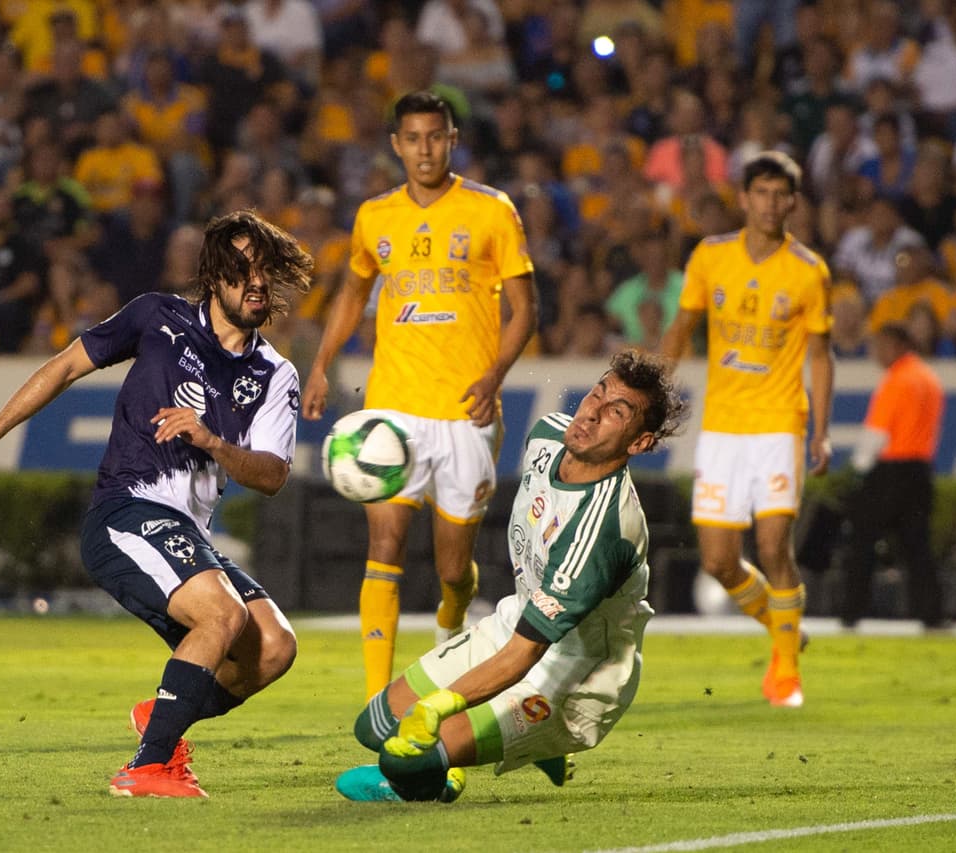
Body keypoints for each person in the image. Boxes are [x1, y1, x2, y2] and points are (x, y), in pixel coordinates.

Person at [0, 210, 314, 798]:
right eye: (242, 269)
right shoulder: (157, 316)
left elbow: (273, 475)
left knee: (274, 647)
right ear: (214, 275)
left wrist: (210, 439)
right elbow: (66, 365)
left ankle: (162, 712)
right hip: (126, 510)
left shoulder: (274, 373)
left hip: (188, 533)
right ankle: (148, 767)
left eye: (266, 271)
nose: (256, 282)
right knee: (221, 616)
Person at [333, 350, 685, 803]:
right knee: (375, 728)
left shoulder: (602, 529)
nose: (592, 412)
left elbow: (526, 654)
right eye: (597, 393)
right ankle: (513, 746)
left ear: (639, 443)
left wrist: (441, 704)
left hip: (571, 676)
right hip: (516, 621)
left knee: (406, 760)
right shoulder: (547, 434)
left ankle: (507, 750)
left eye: (616, 412)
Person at [300, 90, 538, 701]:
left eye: (436, 136)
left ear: (452, 139)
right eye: (413, 138)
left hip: (466, 408)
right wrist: (323, 363)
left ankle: (450, 628)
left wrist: (494, 377)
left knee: (454, 567)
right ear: (396, 145)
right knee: (385, 543)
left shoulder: (491, 210)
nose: (425, 149)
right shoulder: (375, 216)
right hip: (392, 407)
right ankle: (378, 698)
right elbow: (353, 291)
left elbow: (525, 309)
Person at [659, 151, 834, 709]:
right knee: (717, 559)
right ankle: (785, 627)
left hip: (780, 423)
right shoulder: (711, 257)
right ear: (744, 197)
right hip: (723, 428)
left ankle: (785, 671)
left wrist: (821, 432)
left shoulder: (808, 270)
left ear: (793, 203)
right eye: (761, 192)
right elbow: (682, 327)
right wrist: (655, 396)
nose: (770, 203)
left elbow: (823, 357)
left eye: (781, 194)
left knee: (774, 543)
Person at [842, 323, 946, 629]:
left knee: (862, 541)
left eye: (880, 346)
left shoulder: (896, 380)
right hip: (919, 472)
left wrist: (857, 470)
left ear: (897, 345)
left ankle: (852, 610)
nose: (876, 353)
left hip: (889, 472)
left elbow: (877, 432)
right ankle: (932, 614)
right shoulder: (929, 378)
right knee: (918, 547)